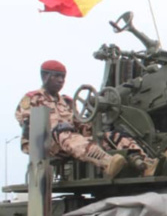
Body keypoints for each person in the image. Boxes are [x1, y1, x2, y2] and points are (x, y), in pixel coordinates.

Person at [14, 60, 158, 178]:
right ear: (45, 76)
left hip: (69, 141)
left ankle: (145, 164)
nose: (61, 80)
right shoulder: (32, 99)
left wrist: (96, 128)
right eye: (56, 76)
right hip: (43, 145)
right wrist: (56, 130)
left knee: (113, 136)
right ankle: (107, 163)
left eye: (63, 77)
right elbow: (27, 123)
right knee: (63, 132)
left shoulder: (67, 101)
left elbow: (81, 124)